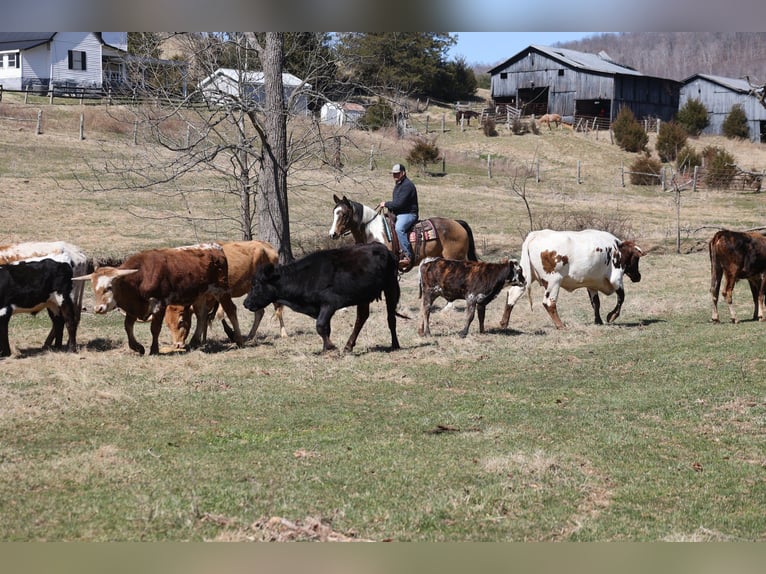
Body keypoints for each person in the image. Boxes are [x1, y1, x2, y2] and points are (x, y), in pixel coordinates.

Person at [379, 163, 418, 270]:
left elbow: (399, 204)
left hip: (409, 214)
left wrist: (386, 204)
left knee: (399, 228)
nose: (395, 176)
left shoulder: (407, 186)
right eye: (393, 174)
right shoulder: (399, 184)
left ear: (403, 173)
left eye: (397, 174)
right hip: (400, 213)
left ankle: (407, 254)